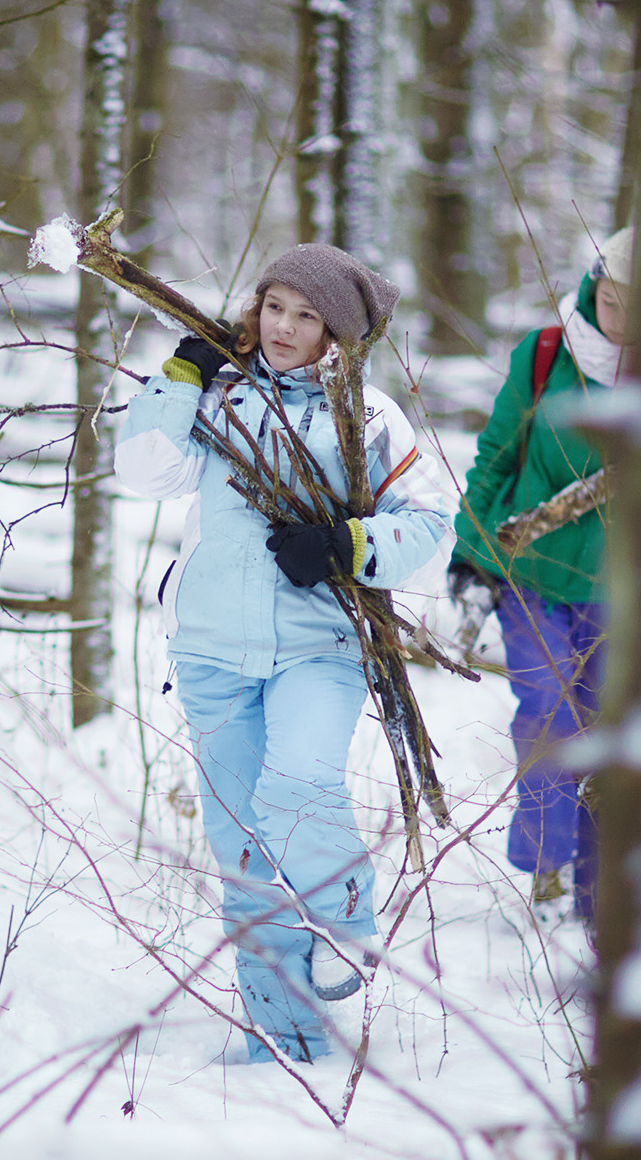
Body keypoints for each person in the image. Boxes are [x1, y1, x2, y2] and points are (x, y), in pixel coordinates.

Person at [117, 244, 453, 1064]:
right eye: (275, 307)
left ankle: (344, 926)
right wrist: (178, 380)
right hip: (209, 647)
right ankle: (283, 1036)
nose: (285, 329)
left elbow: (434, 520)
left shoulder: (368, 416)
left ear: (336, 332)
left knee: (300, 784)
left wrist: (347, 544)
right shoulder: (221, 396)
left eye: (308, 317)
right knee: (243, 847)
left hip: (320, 644)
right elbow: (144, 472)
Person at [447, 227, 632, 921]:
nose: (622, 322)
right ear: (593, 287)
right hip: (531, 580)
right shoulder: (545, 354)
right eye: (612, 302)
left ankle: (602, 872)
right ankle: (548, 864)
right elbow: (495, 456)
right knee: (550, 713)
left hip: (622, 591)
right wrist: (470, 554)